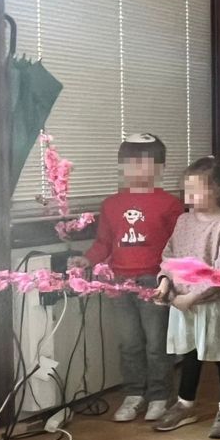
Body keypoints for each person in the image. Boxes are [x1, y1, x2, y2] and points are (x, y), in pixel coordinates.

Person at [70, 133, 184, 424]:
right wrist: (87, 259)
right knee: (129, 343)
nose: (138, 168)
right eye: (131, 162)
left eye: (146, 162)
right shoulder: (110, 204)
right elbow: (104, 243)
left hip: (154, 282)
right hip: (118, 283)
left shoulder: (170, 204)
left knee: (156, 344)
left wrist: (170, 280)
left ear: (160, 166)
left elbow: (178, 247)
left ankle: (160, 395)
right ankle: (134, 394)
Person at [153, 157, 220, 437]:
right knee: (189, 353)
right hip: (181, 302)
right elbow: (169, 255)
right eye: (186, 189)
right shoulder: (183, 220)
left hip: (213, 304)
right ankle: (185, 404)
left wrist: (191, 297)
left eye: (196, 189)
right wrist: (165, 283)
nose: (189, 195)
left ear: (217, 190)